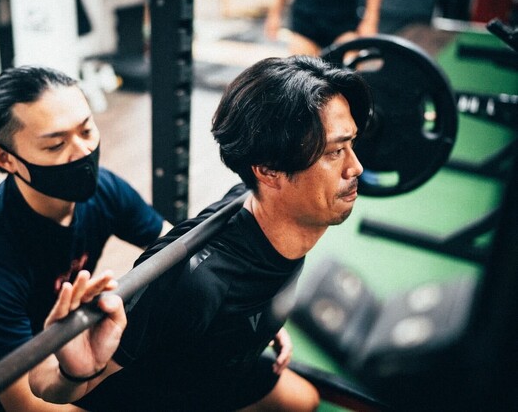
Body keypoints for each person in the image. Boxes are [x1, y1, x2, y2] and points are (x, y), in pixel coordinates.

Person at [28, 55, 372, 411]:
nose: (356, 167)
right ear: (269, 172)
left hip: (220, 370)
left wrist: (260, 325)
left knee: (303, 401)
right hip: (163, 400)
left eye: (351, 145)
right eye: (335, 152)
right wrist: (72, 374)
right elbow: (48, 386)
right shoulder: (194, 282)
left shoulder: (262, 203)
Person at [0, 65, 169, 411]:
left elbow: (175, 248)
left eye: (86, 130)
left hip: (46, 348)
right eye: (56, 144)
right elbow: (24, 405)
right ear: (4, 158)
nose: (82, 152)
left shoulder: (104, 190)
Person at [265, 0, 384, 56]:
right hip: (306, 20)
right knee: (303, 79)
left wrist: (371, 19)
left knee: (347, 79)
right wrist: (274, 14)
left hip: (344, 21)